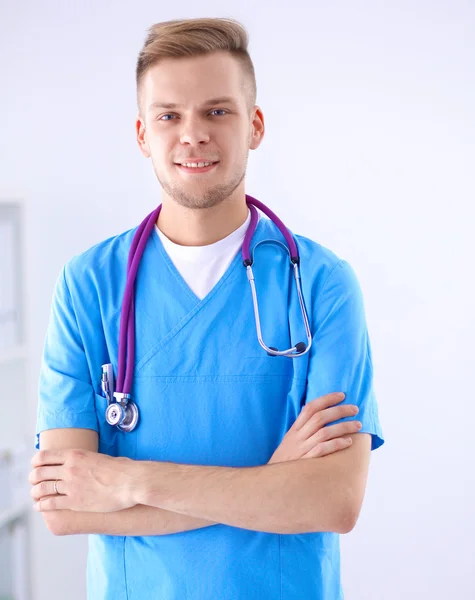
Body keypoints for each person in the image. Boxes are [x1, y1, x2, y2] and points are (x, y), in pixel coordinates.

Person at [29, 17, 385, 600]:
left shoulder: (320, 285)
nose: (192, 135)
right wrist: (270, 485)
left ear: (255, 126)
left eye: (218, 111)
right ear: (143, 134)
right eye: (169, 116)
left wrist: (126, 481)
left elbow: (333, 501)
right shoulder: (88, 285)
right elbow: (66, 509)